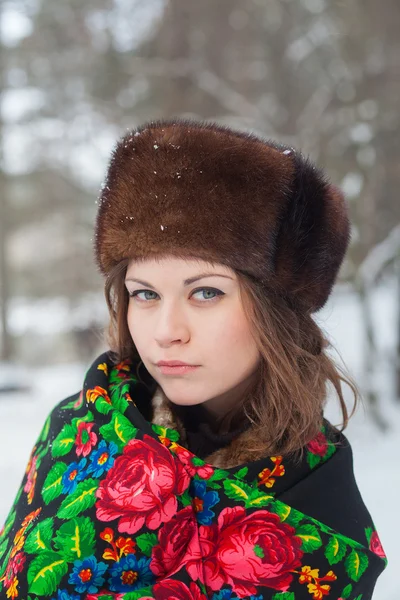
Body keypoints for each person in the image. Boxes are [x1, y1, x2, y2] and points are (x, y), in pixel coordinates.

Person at [0, 118, 388, 600]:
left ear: (277, 311)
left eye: (205, 292)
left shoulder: (319, 504)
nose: (166, 332)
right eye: (144, 294)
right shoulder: (78, 433)